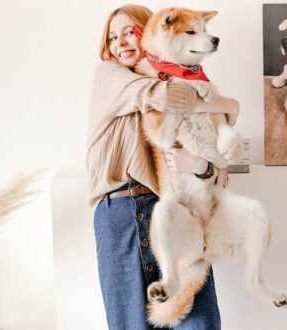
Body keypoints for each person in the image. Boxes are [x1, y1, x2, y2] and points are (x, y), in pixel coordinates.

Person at [86, 4, 239, 330]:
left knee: (202, 324)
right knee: (130, 325)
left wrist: (200, 165)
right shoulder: (110, 76)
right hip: (120, 215)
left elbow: (219, 175)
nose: (120, 43)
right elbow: (164, 95)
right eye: (112, 37)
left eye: (129, 32)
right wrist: (228, 104)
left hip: (174, 213)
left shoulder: (188, 81)